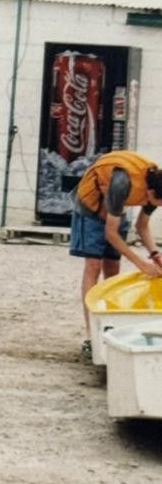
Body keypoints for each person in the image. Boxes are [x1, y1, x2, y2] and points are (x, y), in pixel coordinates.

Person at [70, 150, 162, 360]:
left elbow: (142, 226)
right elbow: (110, 234)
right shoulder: (123, 183)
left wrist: (155, 253)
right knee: (93, 266)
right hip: (90, 208)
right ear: (150, 193)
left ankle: (112, 328)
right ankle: (91, 336)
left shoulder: (155, 184)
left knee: (112, 268)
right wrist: (141, 264)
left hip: (113, 211)